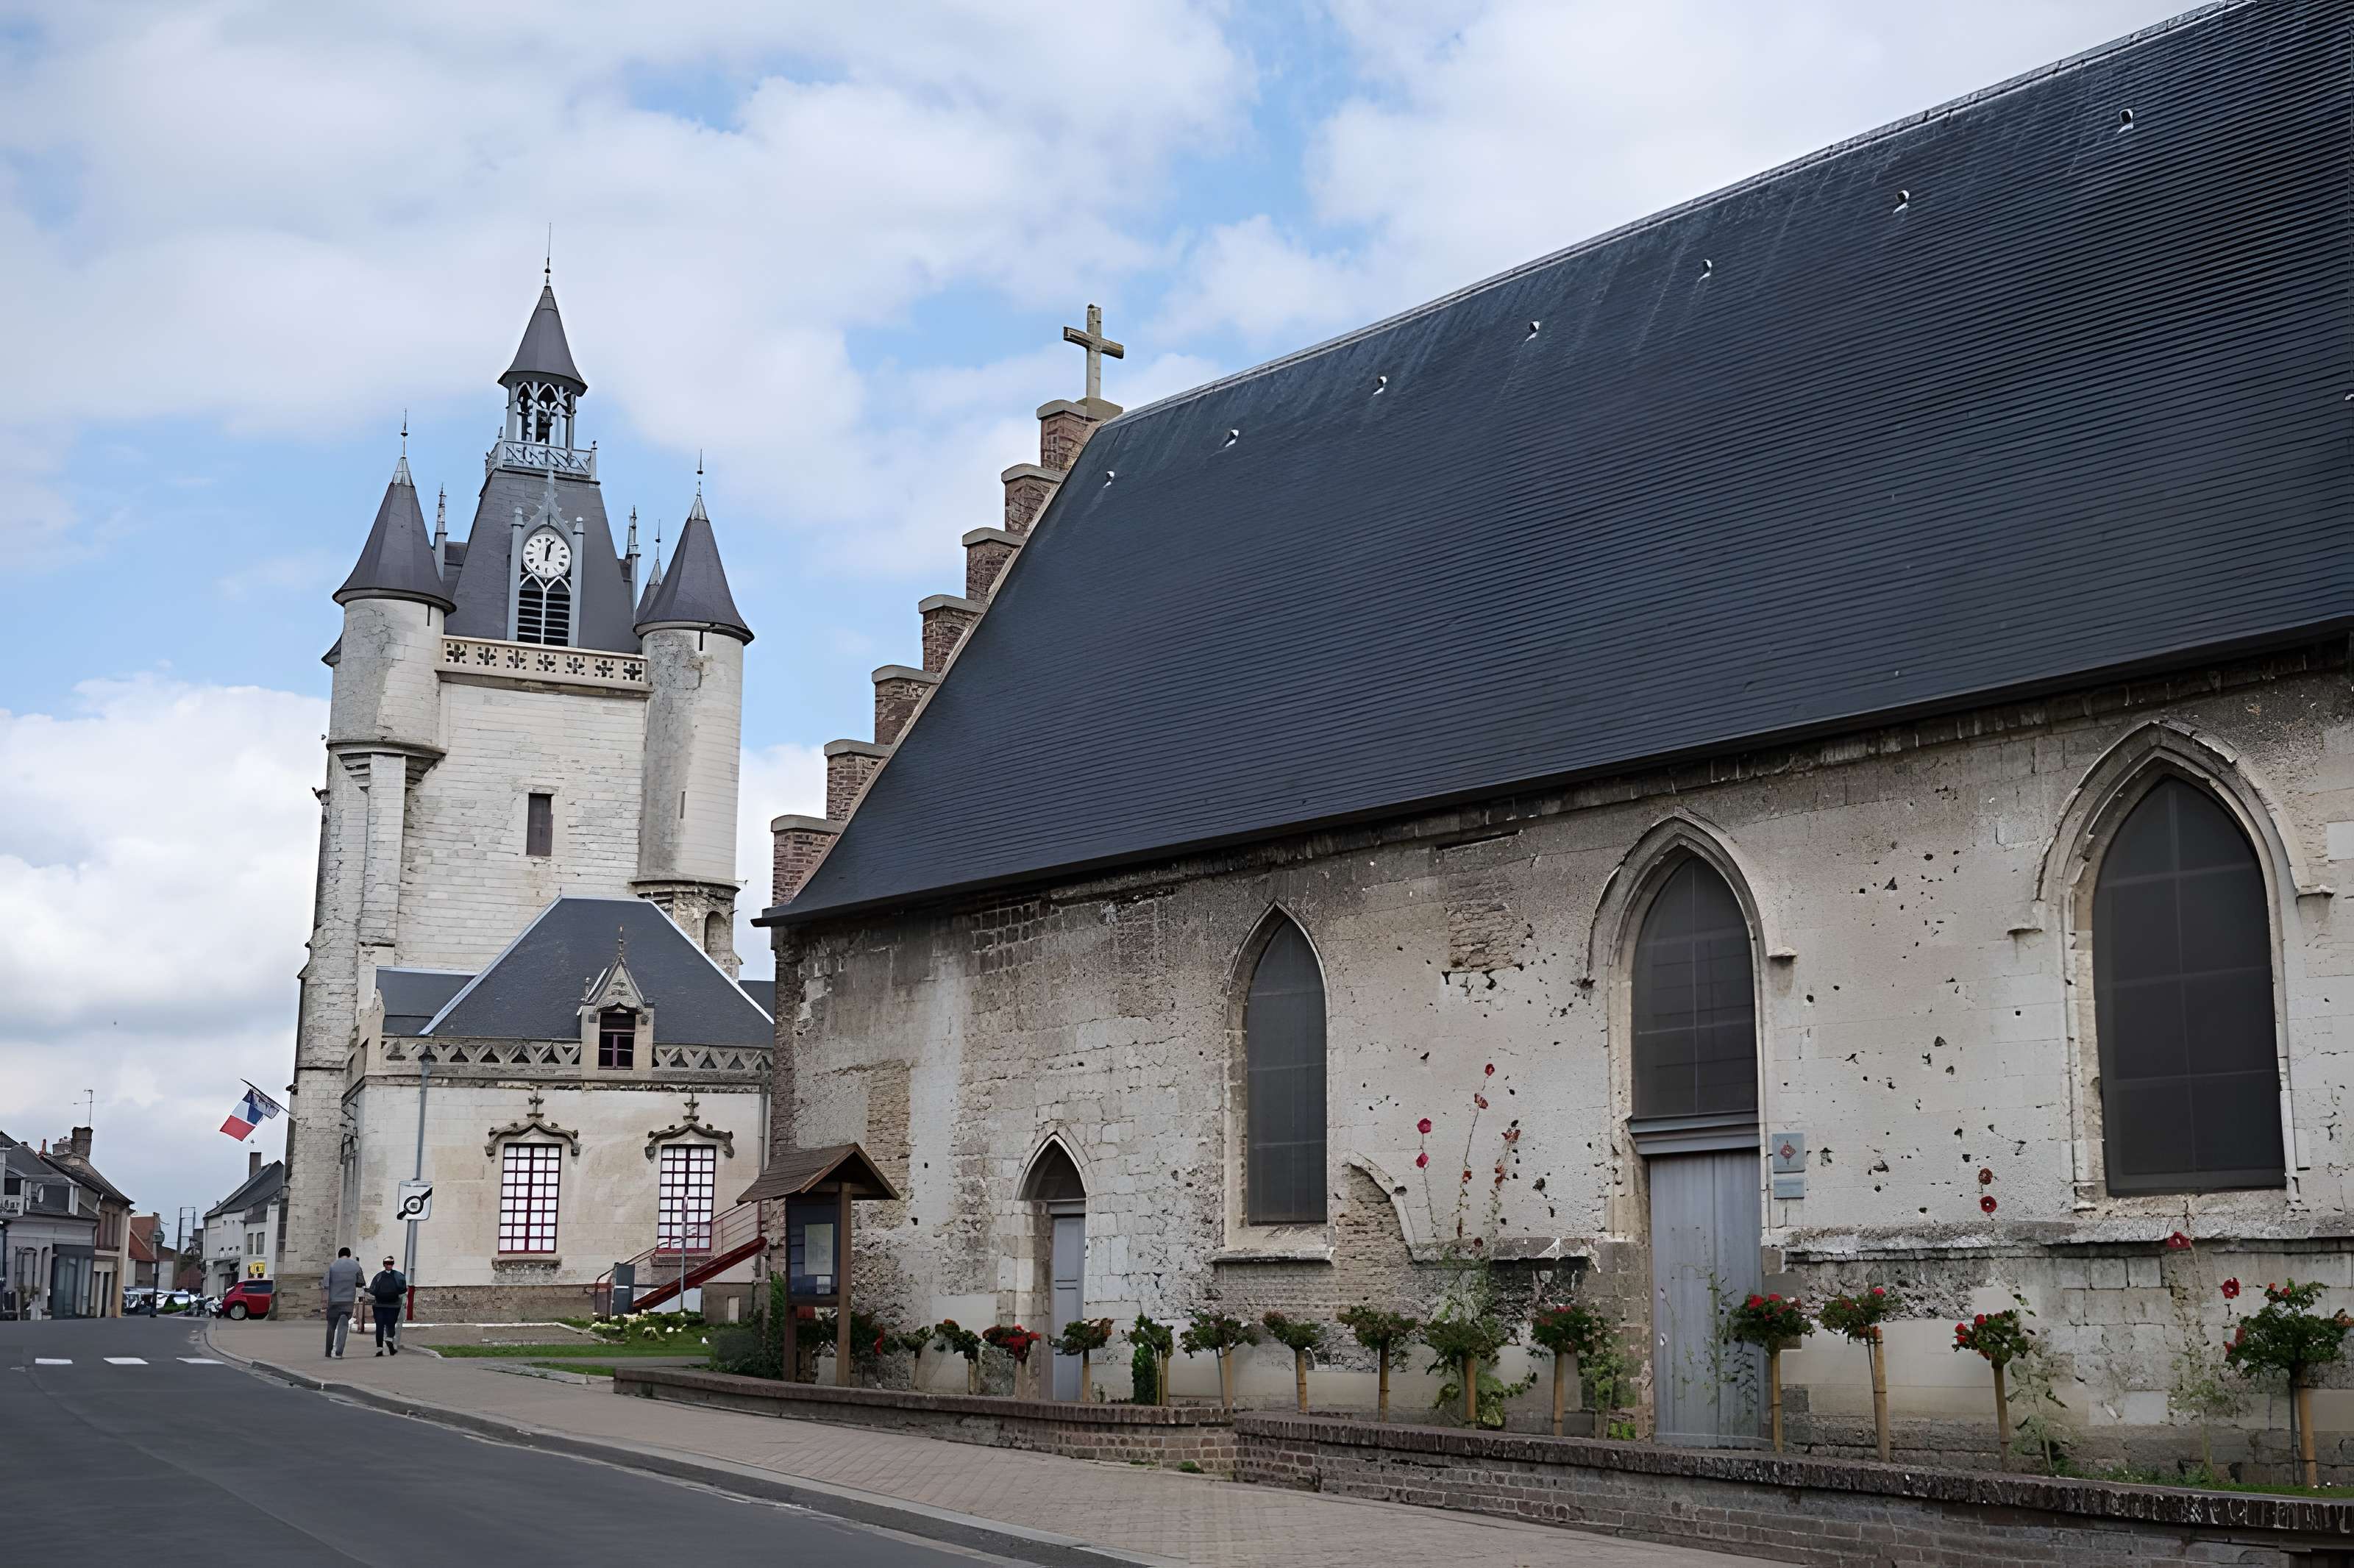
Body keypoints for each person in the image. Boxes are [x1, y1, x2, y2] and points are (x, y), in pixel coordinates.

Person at [324, 1247, 363, 1358]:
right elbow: (360, 1283)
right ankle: (339, 1352)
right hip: (348, 1301)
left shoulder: (333, 1266)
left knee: (331, 1326)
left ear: (339, 1255)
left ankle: (328, 1352)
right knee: (344, 1326)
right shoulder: (356, 1266)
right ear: (349, 1255)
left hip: (334, 1300)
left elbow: (326, 1284)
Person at [368, 1257, 407, 1355]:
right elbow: (403, 1289)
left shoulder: (378, 1276)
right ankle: (389, 1339)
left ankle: (379, 1350)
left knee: (380, 1327)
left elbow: (372, 1290)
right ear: (393, 1264)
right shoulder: (399, 1275)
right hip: (394, 1305)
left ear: (384, 1264)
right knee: (391, 1324)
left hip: (379, 1305)